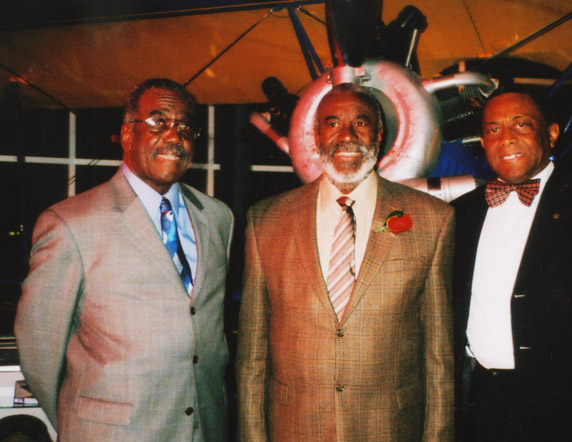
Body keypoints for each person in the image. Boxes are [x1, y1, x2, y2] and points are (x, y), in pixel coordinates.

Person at [15, 78, 234, 441]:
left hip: (203, 430)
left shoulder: (217, 217)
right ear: (127, 135)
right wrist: (83, 422)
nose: (174, 137)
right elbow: (39, 348)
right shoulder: (71, 223)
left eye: (185, 127)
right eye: (158, 122)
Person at [236, 83, 455, 441]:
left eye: (361, 123)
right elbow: (251, 359)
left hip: (390, 429)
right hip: (294, 429)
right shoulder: (266, 220)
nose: (347, 136)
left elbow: (440, 359)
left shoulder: (433, 220)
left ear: (380, 135)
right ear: (316, 135)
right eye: (333, 123)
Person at [452, 90, 572, 441]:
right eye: (493, 129)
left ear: (552, 133)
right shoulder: (462, 213)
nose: (506, 138)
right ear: (482, 141)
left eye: (521, 125)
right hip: (482, 405)